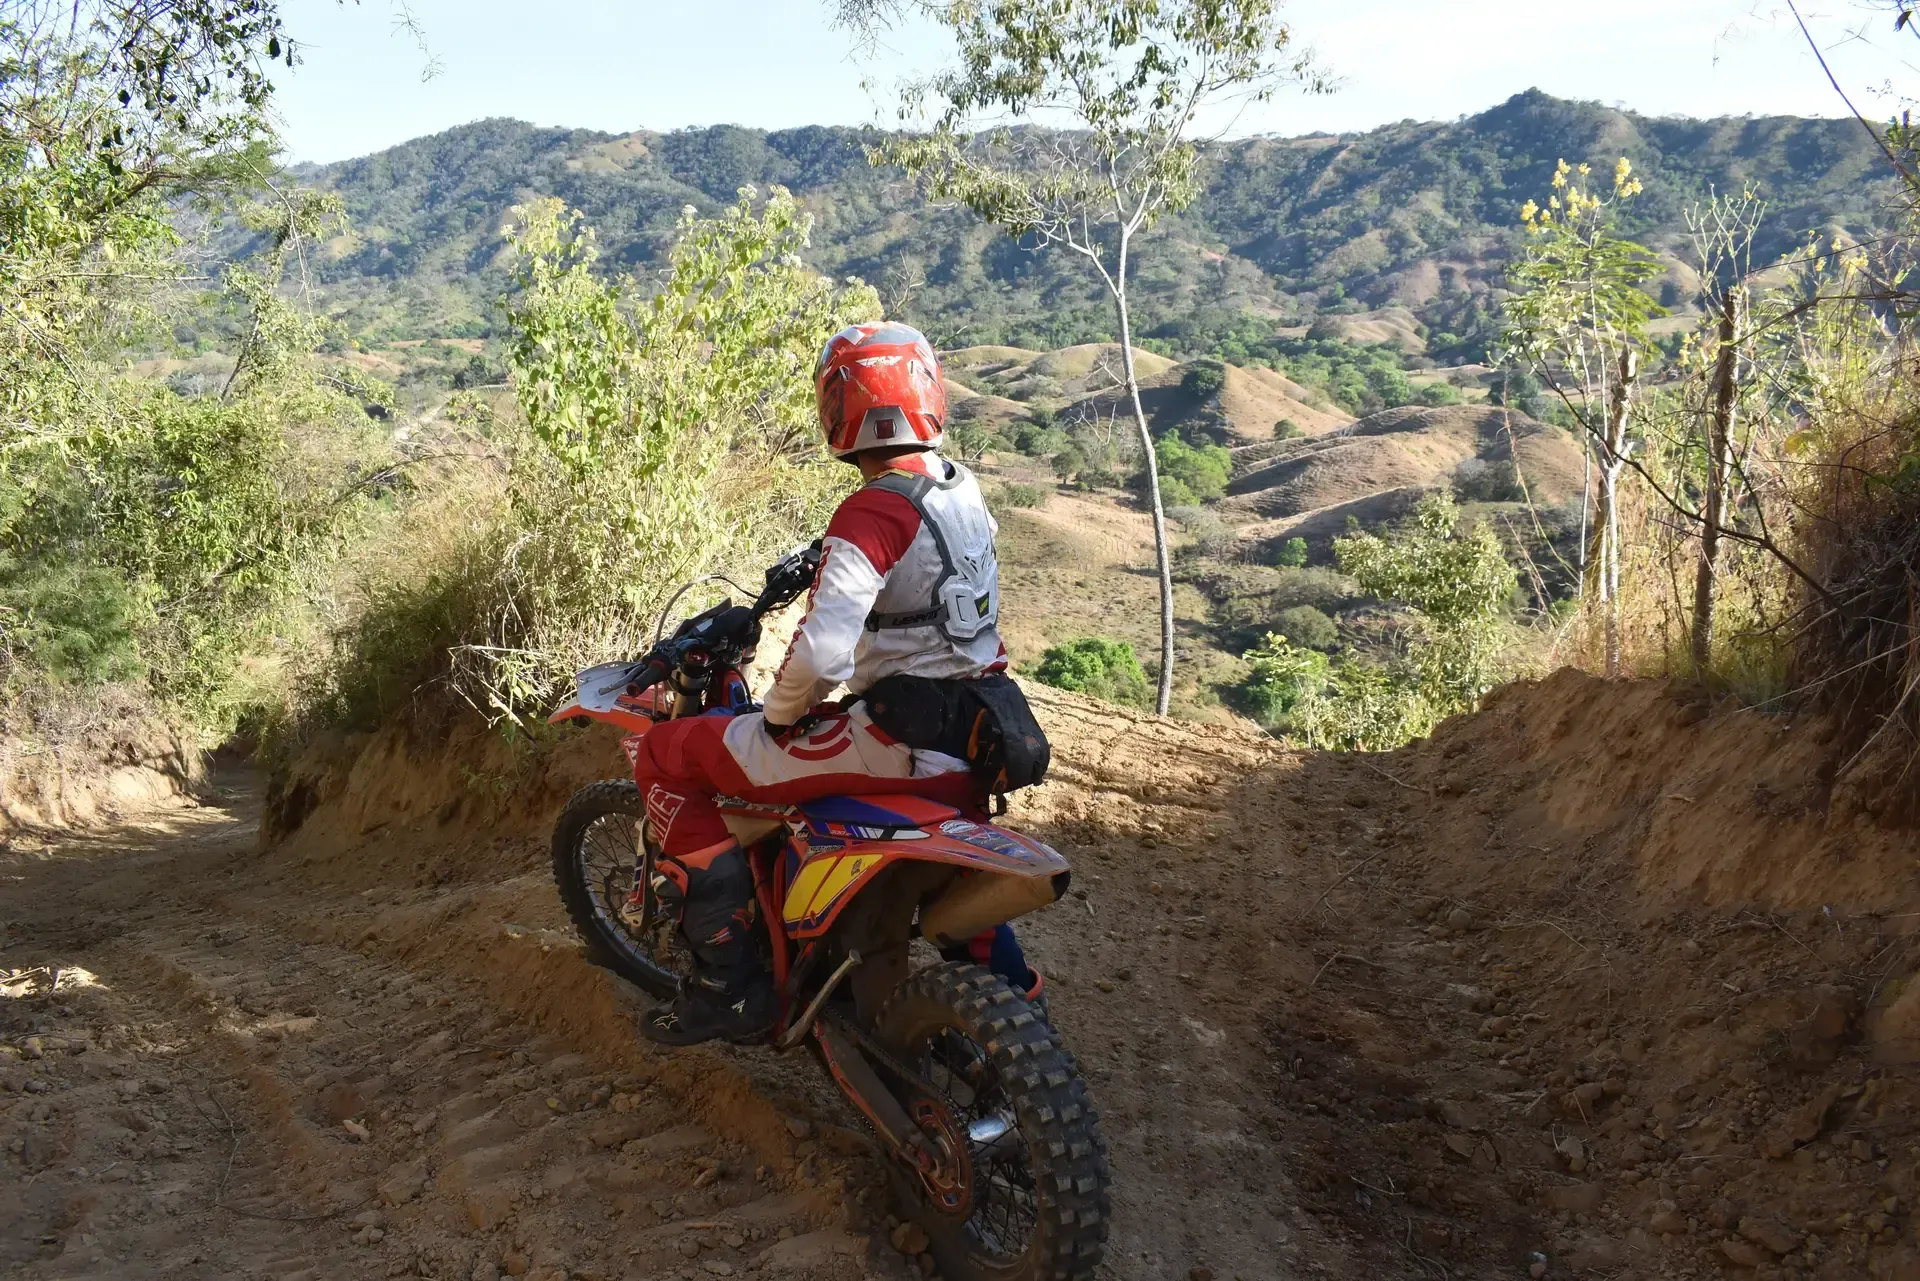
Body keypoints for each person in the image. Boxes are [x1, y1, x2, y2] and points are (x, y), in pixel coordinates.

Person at [631, 321, 1046, 1046]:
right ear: (928, 395)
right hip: (979, 730)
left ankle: (727, 985)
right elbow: (923, 564)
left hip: (896, 743)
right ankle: (1019, 1004)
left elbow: (822, 655)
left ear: (838, 411)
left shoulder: (870, 511)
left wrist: (781, 716)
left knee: (666, 757)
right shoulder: (958, 486)